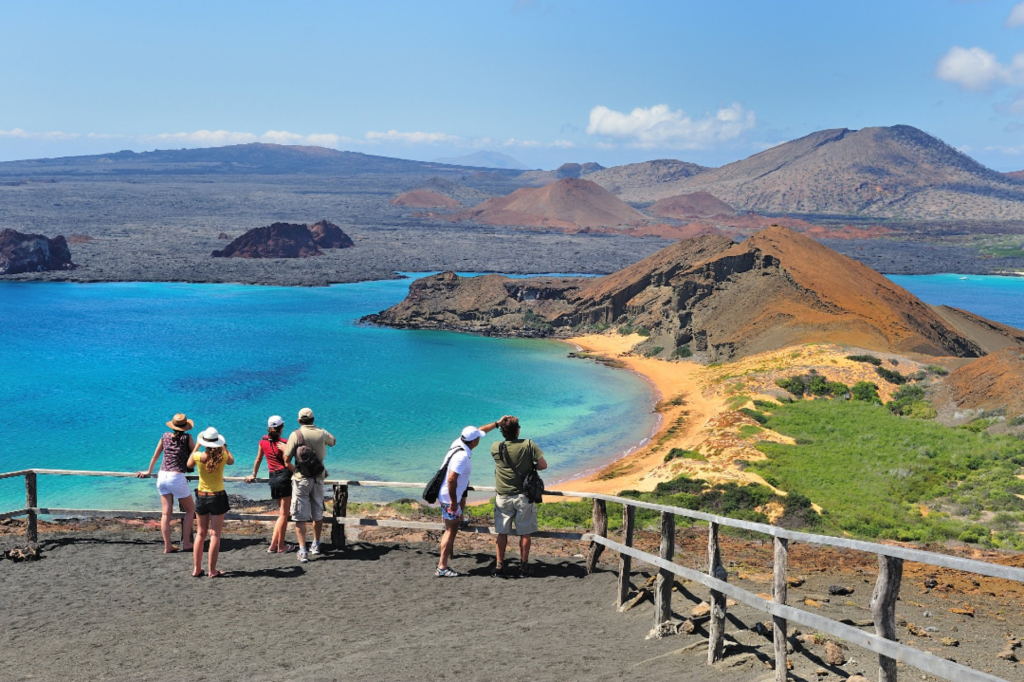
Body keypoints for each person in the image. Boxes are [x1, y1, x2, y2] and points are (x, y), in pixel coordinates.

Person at [435, 420, 502, 578]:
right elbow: (451, 479)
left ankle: (461, 519)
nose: (479, 439)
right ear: (474, 442)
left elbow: (481, 429)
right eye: (478, 438)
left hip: (448, 494)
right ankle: (442, 567)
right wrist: (453, 502)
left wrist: (497, 423)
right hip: (449, 497)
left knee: (451, 527)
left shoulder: (459, 442)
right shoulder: (462, 456)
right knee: (450, 531)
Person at [491, 416, 547, 578]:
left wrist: (497, 423)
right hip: (523, 496)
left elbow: (479, 433)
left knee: (502, 533)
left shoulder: (495, 447)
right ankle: (523, 567)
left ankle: (499, 566)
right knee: (525, 533)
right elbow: (543, 465)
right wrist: (531, 466)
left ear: (502, 431)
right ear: (517, 430)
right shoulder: (528, 444)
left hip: (503, 496)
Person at [137, 413, 197, 553]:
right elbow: (195, 455)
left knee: (165, 514)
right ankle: (187, 543)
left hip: (162, 475)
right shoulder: (187, 437)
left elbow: (155, 456)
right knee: (190, 510)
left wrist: (148, 471)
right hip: (176, 477)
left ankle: (168, 546)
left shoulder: (164, 436)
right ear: (185, 426)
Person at [283, 407, 336, 564]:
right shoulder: (321, 433)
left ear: (299, 420)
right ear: (313, 419)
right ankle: (316, 544)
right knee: (317, 513)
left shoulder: (295, 435)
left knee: (300, 516)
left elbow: (286, 460)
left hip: (301, 479)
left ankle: (303, 550)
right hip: (318, 478)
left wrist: (296, 471)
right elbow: (333, 441)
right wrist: (323, 433)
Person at [187, 427, 234, 578]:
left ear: (204, 443)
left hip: (201, 496)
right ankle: (212, 570)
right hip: (217, 496)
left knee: (200, 534)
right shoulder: (223, 457)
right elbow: (232, 461)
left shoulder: (197, 456)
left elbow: (188, 464)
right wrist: (224, 447)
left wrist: (196, 446)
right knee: (215, 535)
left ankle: (197, 568)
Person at [244, 415, 295, 553]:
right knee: (284, 515)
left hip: (272, 478)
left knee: (282, 514)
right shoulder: (284, 443)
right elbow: (288, 462)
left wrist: (253, 474)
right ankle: (280, 546)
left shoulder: (263, 441)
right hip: (284, 477)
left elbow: (258, 459)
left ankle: (273, 545)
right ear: (281, 428)